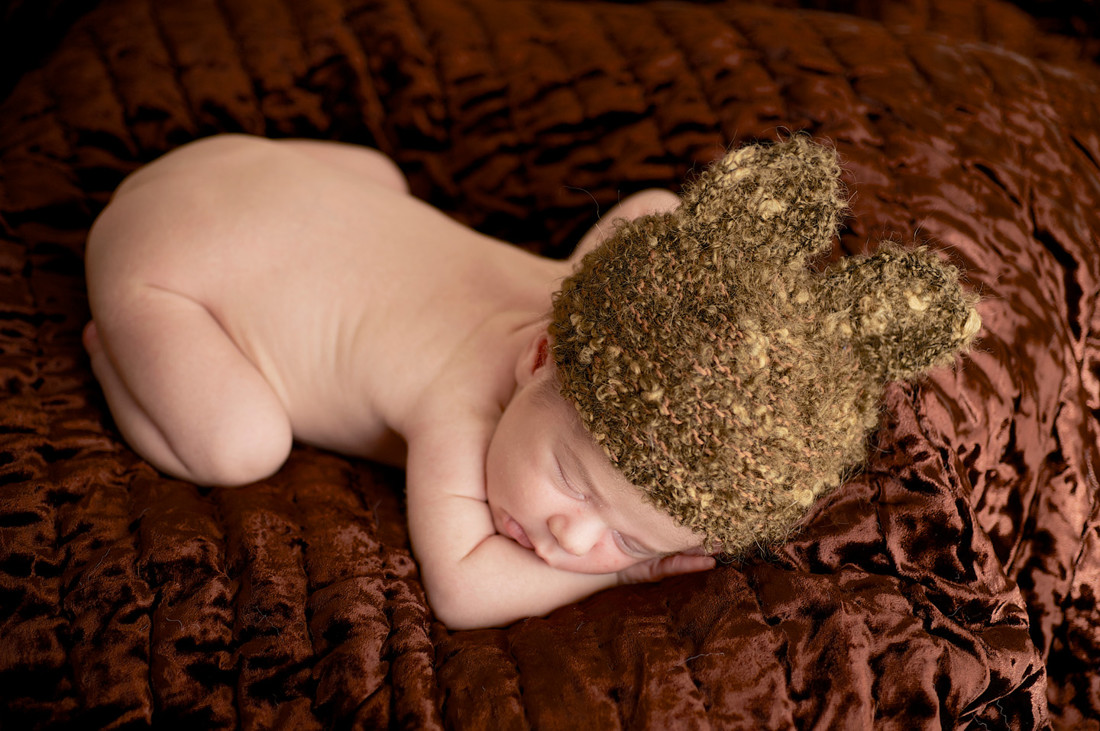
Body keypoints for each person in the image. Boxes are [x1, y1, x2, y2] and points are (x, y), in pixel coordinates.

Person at [84, 133, 980, 630]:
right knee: (239, 445)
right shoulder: (456, 406)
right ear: (536, 360)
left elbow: (653, 213)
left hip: (243, 171)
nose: (569, 535)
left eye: (624, 541)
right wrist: (638, 572)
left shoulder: (591, 299)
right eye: (569, 480)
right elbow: (463, 591)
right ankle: (111, 335)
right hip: (167, 263)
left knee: (383, 177)